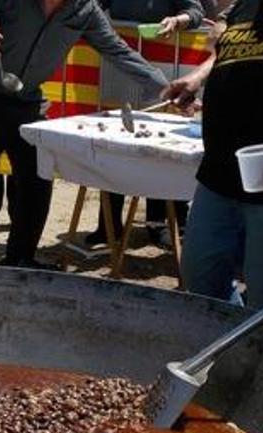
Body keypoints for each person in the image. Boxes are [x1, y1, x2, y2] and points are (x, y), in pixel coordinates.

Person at [0, 0, 169, 269]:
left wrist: (166, 88)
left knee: (37, 182)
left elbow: (118, 50)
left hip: (29, 102)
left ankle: (20, 258)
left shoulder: (86, 9)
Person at [162, 0, 263, 321]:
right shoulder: (247, 5)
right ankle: (233, 349)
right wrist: (198, 78)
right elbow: (226, 53)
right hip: (219, 172)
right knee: (200, 274)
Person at [87, 0, 205, 249]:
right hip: (120, 70)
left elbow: (196, 12)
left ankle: (157, 223)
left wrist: (177, 21)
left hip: (164, 68)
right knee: (114, 143)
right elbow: (93, 6)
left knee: (160, 151)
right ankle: (108, 225)